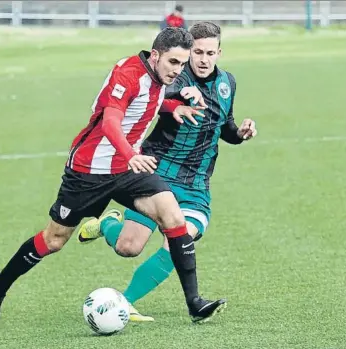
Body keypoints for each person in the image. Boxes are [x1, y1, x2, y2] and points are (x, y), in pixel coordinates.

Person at [0, 27, 224, 330]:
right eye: (174, 62)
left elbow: (152, 101)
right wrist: (130, 153)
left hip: (127, 170)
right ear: (157, 55)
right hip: (88, 171)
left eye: (182, 64)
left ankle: (194, 303)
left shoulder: (160, 76)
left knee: (172, 217)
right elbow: (110, 121)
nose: (179, 70)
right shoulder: (128, 73)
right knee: (53, 240)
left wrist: (176, 107)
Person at [78, 21, 257, 322]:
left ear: (219, 52)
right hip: (158, 173)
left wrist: (239, 132)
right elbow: (160, 92)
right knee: (128, 247)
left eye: (210, 53)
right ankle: (108, 223)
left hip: (197, 184)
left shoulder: (228, 83)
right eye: (197, 52)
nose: (203, 59)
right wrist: (181, 93)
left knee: (179, 239)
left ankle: (125, 302)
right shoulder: (171, 76)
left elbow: (224, 127)